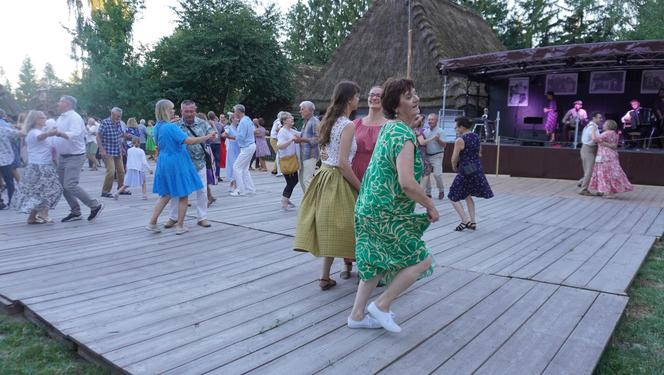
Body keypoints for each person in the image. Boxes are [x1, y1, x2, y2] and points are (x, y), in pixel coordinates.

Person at [348, 77, 437, 333]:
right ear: (396, 106)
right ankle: (382, 305)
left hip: (369, 207)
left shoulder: (390, 128)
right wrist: (430, 205)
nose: (416, 99)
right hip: (385, 212)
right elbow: (407, 182)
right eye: (409, 96)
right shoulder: (404, 135)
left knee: (376, 261)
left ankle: (356, 315)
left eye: (415, 94)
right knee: (422, 261)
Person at [294, 80, 361, 291]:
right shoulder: (348, 125)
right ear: (350, 99)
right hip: (337, 179)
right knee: (355, 224)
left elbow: (324, 155)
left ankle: (325, 277)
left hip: (323, 176)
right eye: (358, 96)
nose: (359, 99)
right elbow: (343, 162)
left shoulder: (328, 121)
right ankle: (367, 271)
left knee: (331, 228)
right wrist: (361, 187)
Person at [147, 99, 216, 234]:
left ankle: (152, 222)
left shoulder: (157, 127)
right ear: (166, 110)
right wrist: (206, 137)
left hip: (164, 161)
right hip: (177, 161)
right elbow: (189, 141)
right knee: (183, 194)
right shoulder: (171, 126)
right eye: (171, 109)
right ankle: (180, 226)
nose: (173, 111)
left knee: (166, 194)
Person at [53, 95, 104, 222]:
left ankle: (95, 205)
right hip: (64, 157)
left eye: (60, 101)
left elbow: (74, 133)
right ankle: (75, 212)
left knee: (70, 184)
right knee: (62, 186)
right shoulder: (61, 118)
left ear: (67, 104)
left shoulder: (74, 117)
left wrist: (59, 133)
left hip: (75, 156)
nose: (57, 103)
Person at [164, 100, 213, 229]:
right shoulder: (174, 125)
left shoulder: (203, 123)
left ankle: (202, 217)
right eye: (186, 111)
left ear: (195, 110)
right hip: (181, 164)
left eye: (192, 111)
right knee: (177, 191)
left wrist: (213, 136)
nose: (189, 114)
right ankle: (173, 217)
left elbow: (213, 134)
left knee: (202, 191)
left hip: (199, 162)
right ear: (181, 111)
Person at [11, 110, 63, 224]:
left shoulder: (38, 131)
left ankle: (32, 217)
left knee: (39, 191)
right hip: (40, 167)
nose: (45, 119)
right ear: (36, 120)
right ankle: (43, 213)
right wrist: (49, 133)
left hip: (41, 165)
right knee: (52, 189)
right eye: (43, 117)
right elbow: (40, 137)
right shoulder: (34, 132)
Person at [448, 116, 494, 231]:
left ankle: (465, 221)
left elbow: (454, 158)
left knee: (452, 196)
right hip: (476, 168)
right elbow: (479, 154)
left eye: (456, 126)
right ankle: (473, 222)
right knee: (467, 195)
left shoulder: (460, 140)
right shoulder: (476, 137)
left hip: (465, 169)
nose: (455, 128)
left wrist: (454, 167)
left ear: (462, 127)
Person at [351, 86, 388, 182]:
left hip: (379, 174)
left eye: (378, 96)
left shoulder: (390, 126)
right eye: (371, 95)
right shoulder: (355, 124)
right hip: (354, 174)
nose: (374, 98)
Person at [589, 120, 633, 199]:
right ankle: (606, 190)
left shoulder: (606, 133)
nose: (603, 125)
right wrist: (606, 144)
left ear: (608, 126)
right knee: (612, 173)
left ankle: (608, 192)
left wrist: (592, 130)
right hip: (612, 155)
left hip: (605, 155)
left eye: (605, 124)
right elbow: (615, 146)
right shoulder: (615, 134)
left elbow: (595, 139)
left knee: (605, 173)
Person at [97, 107, 127, 198]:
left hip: (117, 150)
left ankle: (121, 189)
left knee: (121, 171)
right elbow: (98, 136)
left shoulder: (118, 123)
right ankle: (105, 191)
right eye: (118, 116)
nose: (119, 118)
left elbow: (119, 136)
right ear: (112, 114)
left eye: (120, 116)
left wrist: (122, 147)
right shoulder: (105, 122)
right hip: (108, 150)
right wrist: (101, 149)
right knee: (111, 170)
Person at [276, 112, 301, 211]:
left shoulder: (291, 130)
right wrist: (291, 140)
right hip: (286, 159)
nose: (292, 119)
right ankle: (284, 201)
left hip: (292, 159)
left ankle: (286, 198)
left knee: (293, 181)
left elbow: (300, 134)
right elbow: (280, 146)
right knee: (291, 182)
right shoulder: (282, 131)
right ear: (285, 120)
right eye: (290, 118)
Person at [231, 104, 256, 196]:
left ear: (238, 112)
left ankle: (240, 190)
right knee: (245, 169)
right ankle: (250, 189)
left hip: (246, 147)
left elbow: (241, 136)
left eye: (234, 111)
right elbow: (252, 131)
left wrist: (233, 136)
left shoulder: (243, 122)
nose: (234, 113)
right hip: (251, 145)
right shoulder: (248, 119)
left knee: (236, 167)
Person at [423, 112, 446, 200]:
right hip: (427, 156)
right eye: (429, 119)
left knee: (437, 174)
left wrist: (438, 140)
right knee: (426, 175)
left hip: (437, 155)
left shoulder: (441, 131)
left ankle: (441, 190)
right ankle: (428, 193)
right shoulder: (425, 131)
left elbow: (444, 145)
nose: (430, 121)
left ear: (436, 120)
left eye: (432, 119)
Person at [298, 101, 320, 191]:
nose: (300, 111)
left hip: (311, 156)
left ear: (310, 110)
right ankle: (307, 202)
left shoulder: (314, 122)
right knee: (302, 180)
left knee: (307, 180)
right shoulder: (306, 122)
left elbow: (319, 139)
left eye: (302, 109)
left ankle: (311, 203)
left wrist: (302, 140)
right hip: (304, 156)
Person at [579, 112, 602, 196]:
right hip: (588, 149)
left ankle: (581, 182)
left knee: (589, 169)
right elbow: (594, 138)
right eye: (599, 117)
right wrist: (603, 141)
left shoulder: (591, 126)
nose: (601, 119)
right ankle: (583, 189)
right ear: (593, 118)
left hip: (589, 149)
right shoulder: (592, 127)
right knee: (589, 170)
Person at [0, 114, 20, 207]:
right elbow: (16, 136)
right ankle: (11, 201)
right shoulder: (4, 129)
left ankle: (0, 202)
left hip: (5, 158)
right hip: (6, 159)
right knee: (9, 180)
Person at [224, 115, 240, 192]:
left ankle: (233, 184)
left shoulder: (238, 128)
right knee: (233, 165)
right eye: (236, 118)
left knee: (237, 166)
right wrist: (227, 135)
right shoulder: (228, 127)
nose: (238, 119)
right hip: (232, 149)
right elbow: (224, 134)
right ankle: (235, 186)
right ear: (232, 119)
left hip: (238, 149)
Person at [207, 111, 224, 180]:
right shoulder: (220, 125)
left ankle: (211, 175)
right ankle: (218, 175)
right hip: (217, 143)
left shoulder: (206, 124)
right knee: (217, 160)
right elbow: (223, 134)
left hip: (209, 143)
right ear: (215, 116)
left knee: (210, 160)